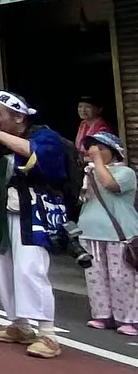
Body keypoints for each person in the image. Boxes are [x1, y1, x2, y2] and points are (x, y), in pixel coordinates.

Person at [0, 90, 69, 359]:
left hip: (30, 211)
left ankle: (48, 334)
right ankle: (20, 325)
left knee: (29, 269)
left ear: (19, 117)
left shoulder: (44, 136)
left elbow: (35, 155)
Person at [77, 131, 138, 333]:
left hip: (118, 233)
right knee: (96, 276)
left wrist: (97, 164)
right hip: (90, 231)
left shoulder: (126, 173)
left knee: (122, 277)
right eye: (94, 149)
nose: (95, 153)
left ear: (114, 152)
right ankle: (103, 315)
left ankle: (129, 318)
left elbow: (111, 185)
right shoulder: (89, 172)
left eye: (101, 149)